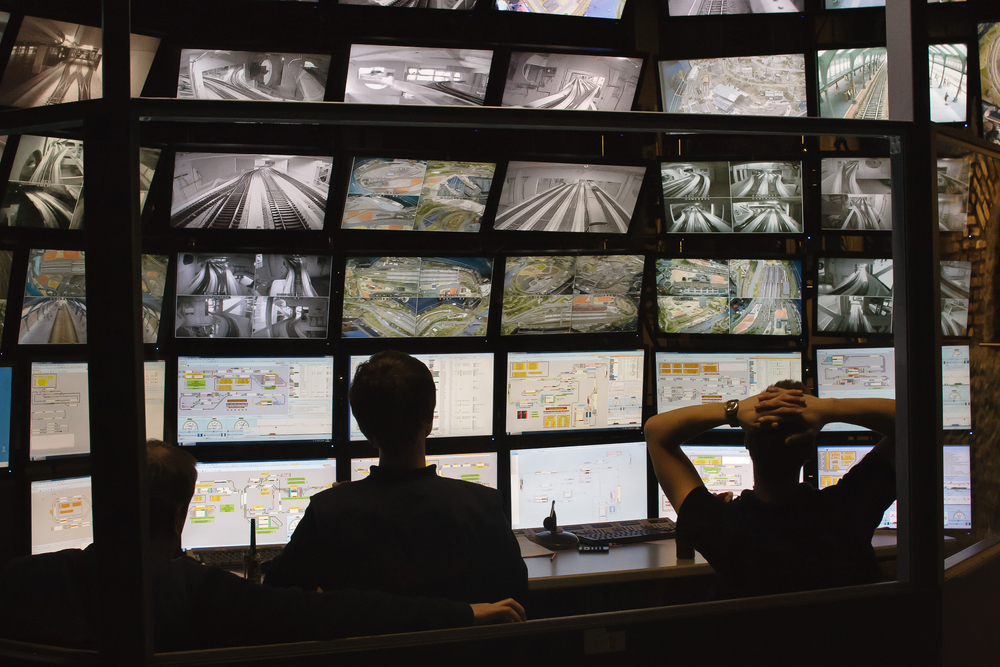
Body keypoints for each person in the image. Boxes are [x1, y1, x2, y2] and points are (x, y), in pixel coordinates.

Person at [0, 440, 525, 652]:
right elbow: (342, 614)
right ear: (181, 512)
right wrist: (463, 614)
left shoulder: (28, 580)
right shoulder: (207, 594)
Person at [265, 350, 528, 605]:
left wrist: (343, 501)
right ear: (428, 420)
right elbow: (515, 596)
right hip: (457, 650)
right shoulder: (484, 506)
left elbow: (276, 595)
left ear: (364, 429)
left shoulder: (328, 513)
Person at [645, 380, 896, 600]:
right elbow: (916, 415)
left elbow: (656, 431)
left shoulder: (716, 524)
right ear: (810, 448)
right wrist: (828, 408)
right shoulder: (849, 510)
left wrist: (734, 410)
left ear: (746, 441)